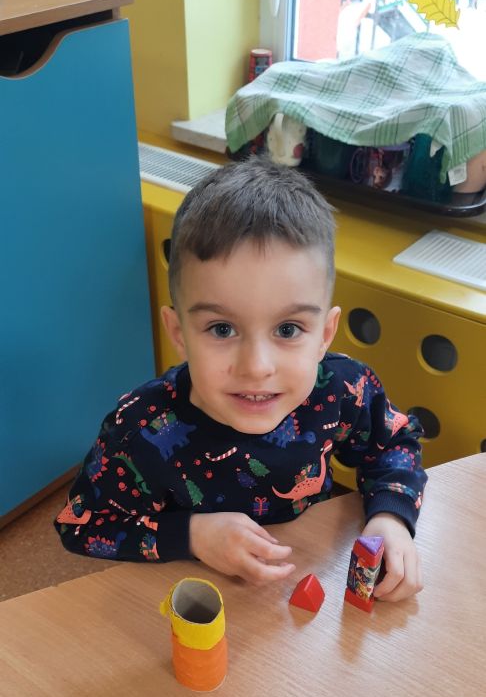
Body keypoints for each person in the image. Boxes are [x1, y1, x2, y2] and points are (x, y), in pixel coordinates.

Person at [55, 159, 427, 601]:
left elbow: (394, 443)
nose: (256, 366)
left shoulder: (343, 388)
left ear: (325, 334)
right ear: (179, 333)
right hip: (189, 601)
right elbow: (82, 526)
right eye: (221, 329)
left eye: (288, 329)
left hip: (298, 593)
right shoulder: (138, 428)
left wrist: (391, 518)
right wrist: (192, 535)